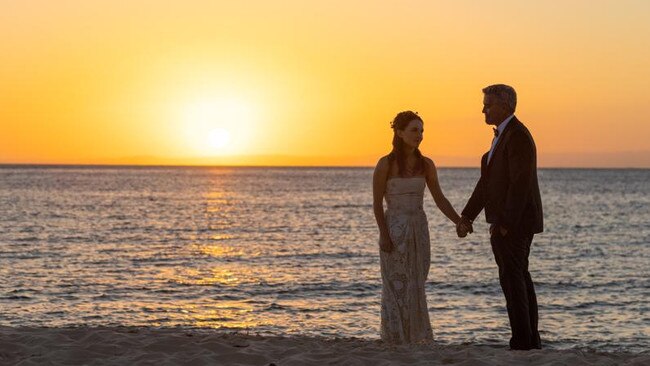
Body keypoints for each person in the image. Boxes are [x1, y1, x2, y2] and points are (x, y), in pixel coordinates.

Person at [457, 84, 544, 350]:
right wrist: (467, 216)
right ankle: (529, 340)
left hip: (514, 225)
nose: (483, 108)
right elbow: (486, 185)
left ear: (505, 105)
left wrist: (505, 224)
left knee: (513, 280)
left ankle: (523, 341)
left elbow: (520, 183)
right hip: (507, 223)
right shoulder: (501, 137)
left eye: (488, 104)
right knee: (517, 278)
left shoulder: (517, 135)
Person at [372, 110, 461, 344]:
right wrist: (383, 234)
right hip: (394, 230)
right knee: (395, 285)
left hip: (419, 230)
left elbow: (440, 199)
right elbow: (377, 204)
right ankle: (394, 337)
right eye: (414, 130)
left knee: (416, 283)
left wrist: (459, 220)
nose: (419, 135)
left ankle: (416, 336)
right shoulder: (385, 164)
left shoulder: (426, 164)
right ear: (399, 133)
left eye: (422, 131)